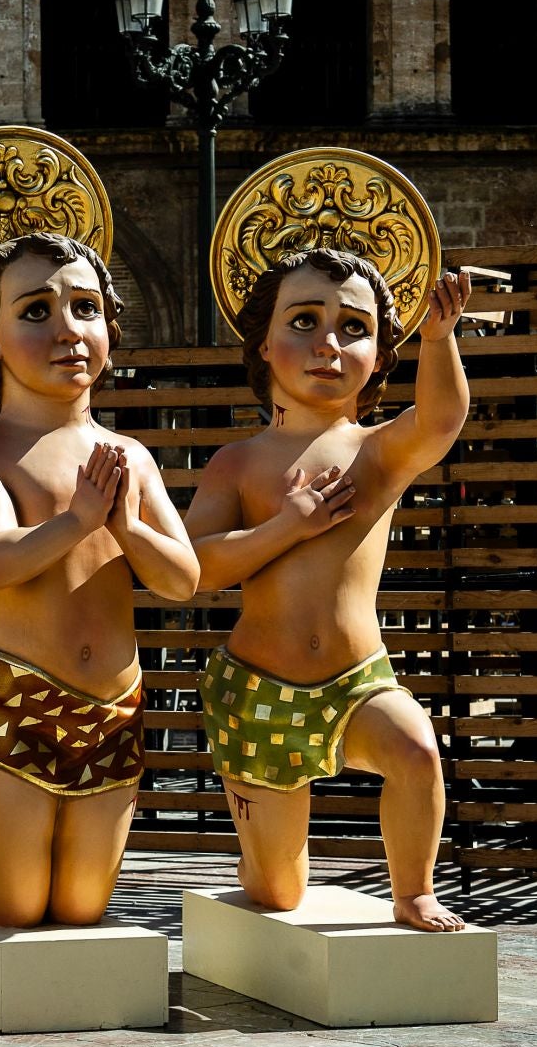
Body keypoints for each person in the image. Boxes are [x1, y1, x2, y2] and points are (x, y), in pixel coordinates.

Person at [0, 232, 198, 928]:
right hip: (15, 695)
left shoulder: (128, 455)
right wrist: (77, 521)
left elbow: (183, 578)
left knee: (78, 908)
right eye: (36, 311)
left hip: (112, 706)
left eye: (86, 308)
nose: (68, 330)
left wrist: (124, 527)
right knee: (13, 903)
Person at [184, 247, 473, 932]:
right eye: (305, 321)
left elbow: (438, 423)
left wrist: (440, 339)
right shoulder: (238, 463)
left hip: (357, 684)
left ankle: (414, 892)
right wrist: (289, 524)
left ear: (379, 352)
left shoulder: (377, 451)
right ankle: (258, 863)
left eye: (352, 327)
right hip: (257, 693)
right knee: (279, 893)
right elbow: (197, 569)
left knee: (416, 749)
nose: (328, 345)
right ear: (263, 342)